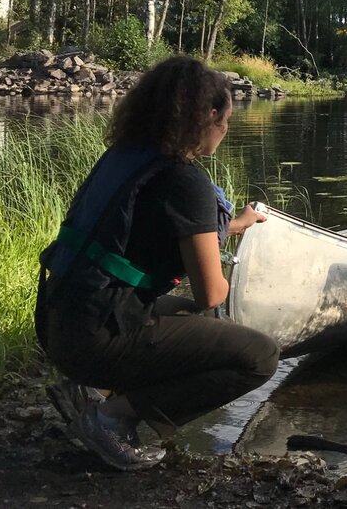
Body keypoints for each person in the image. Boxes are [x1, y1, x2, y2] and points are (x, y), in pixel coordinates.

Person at [35, 56, 279, 471]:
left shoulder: (126, 157)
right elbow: (211, 294)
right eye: (226, 120)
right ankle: (111, 419)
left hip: (57, 320)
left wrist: (234, 224)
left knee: (188, 316)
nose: (226, 130)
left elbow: (143, 232)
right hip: (91, 341)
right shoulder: (187, 181)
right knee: (259, 355)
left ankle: (91, 391)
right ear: (208, 116)